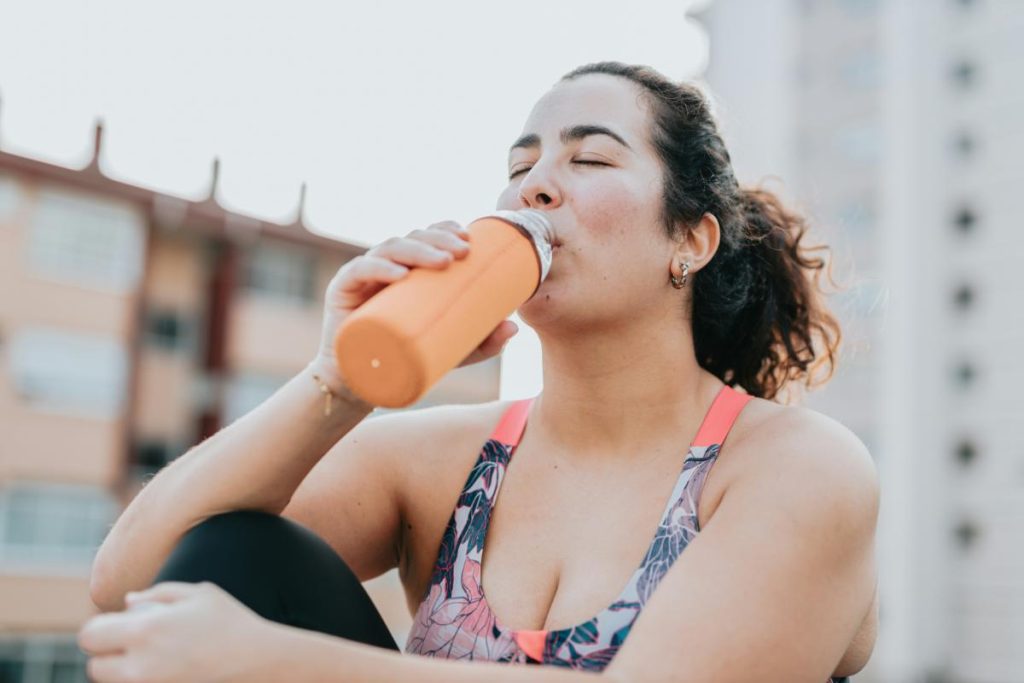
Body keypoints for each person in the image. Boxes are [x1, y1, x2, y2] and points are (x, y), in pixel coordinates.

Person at [79, 61, 879, 682]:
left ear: (691, 242)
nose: (534, 185)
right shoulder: (434, 462)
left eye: (591, 157)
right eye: (520, 165)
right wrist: (338, 383)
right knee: (239, 548)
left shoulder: (796, 467)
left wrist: (276, 662)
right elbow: (130, 585)